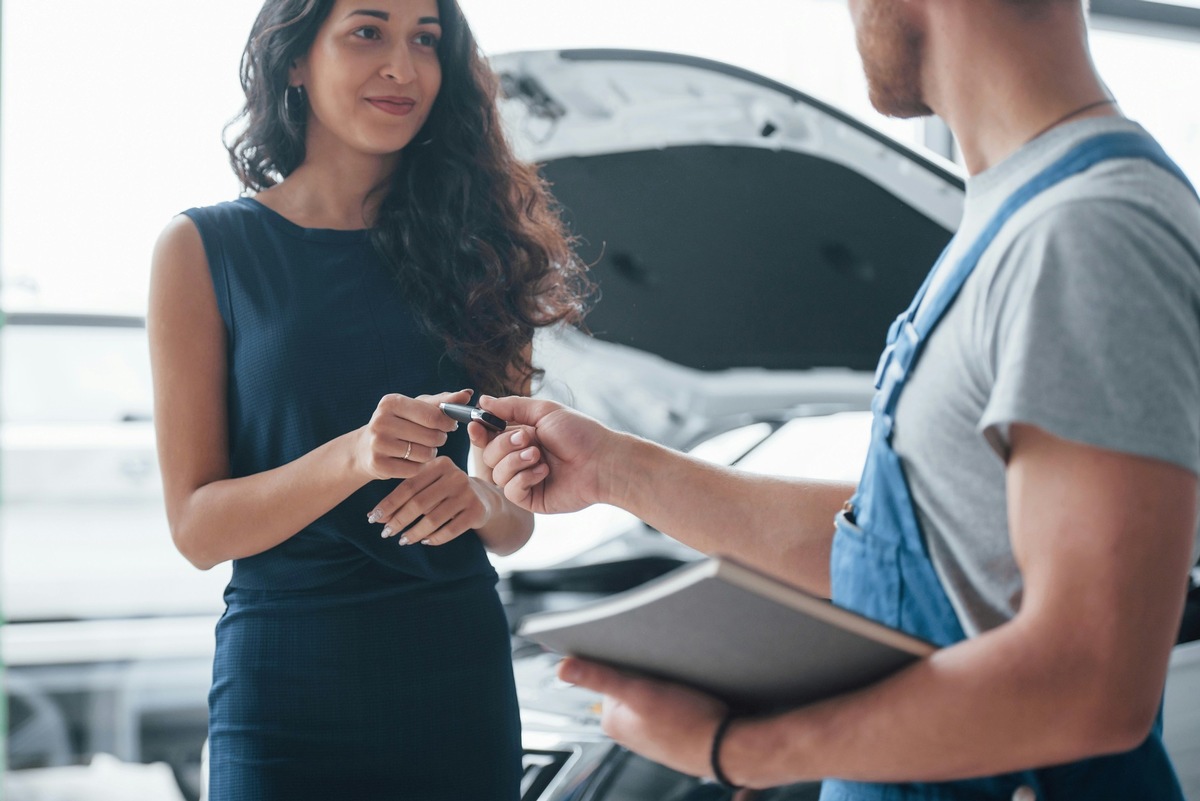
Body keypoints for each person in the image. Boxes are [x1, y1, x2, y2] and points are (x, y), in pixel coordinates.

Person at [475, 0, 1200, 797]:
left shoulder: (1087, 229)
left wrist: (739, 750)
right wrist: (616, 470)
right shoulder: (1018, 218)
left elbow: (1088, 682)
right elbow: (906, 551)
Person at [147, 0, 588, 797]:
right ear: (292, 59)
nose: (404, 66)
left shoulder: (482, 250)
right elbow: (196, 528)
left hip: (458, 681)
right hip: (282, 686)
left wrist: (477, 500)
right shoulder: (204, 250)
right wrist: (354, 455)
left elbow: (516, 517)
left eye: (425, 39)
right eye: (367, 31)